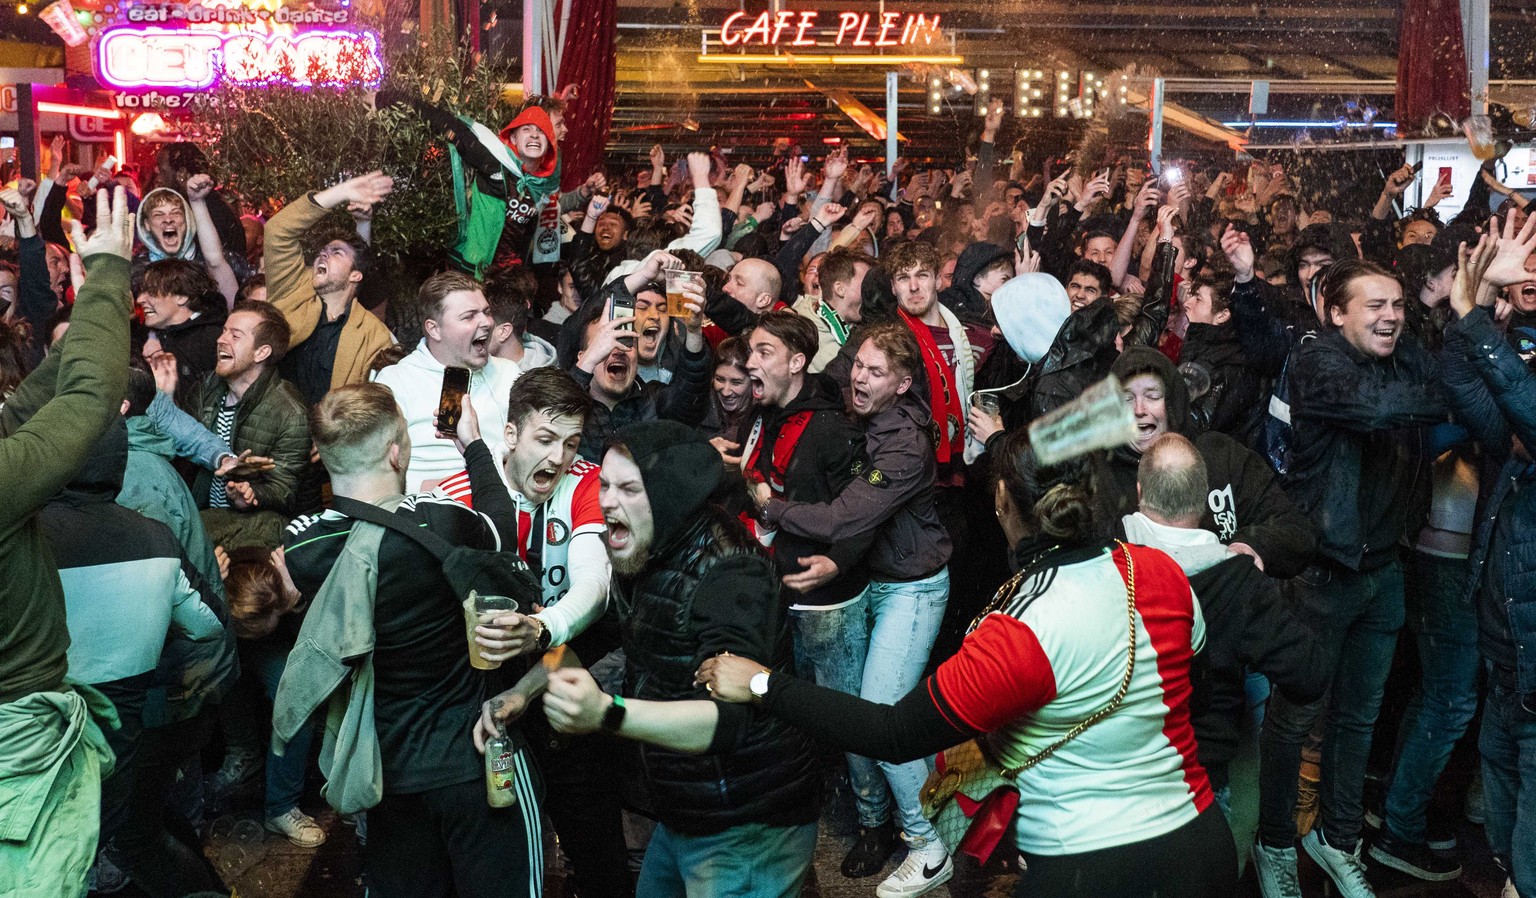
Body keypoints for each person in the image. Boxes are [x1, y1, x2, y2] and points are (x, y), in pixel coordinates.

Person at [698, 427, 1238, 898]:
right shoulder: (1160, 572)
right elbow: (1198, 697)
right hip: (1202, 844)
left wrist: (764, 684)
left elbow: (893, 732)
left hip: (1088, 870)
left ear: (1002, 499)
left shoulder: (1020, 628)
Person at [491, 420, 819, 898]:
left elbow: (730, 722)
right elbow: (599, 638)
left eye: (627, 488)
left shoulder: (731, 574)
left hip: (746, 825)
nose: (606, 501)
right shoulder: (648, 550)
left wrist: (607, 713)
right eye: (604, 485)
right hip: (687, 809)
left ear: (669, 495)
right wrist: (521, 692)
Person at [277, 383, 543, 898]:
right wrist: (472, 445)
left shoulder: (302, 547)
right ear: (397, 451)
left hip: (386, 774)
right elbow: (501, 527)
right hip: (474, 760)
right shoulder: (441, 520)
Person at [1253, 259, 1449, 898]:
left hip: (1384, 569)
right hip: (1324, 573)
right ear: (1336, 313)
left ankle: (1337, 840)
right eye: (1375, 306)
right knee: (1293, 720)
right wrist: (1441, 388)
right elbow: (1374, 410)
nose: (1391, 316)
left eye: (1397, 304)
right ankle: (1275, 843)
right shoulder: (1317, 360)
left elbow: (1431, 385)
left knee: (1358, 720)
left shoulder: (1400, 361)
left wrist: (1447, 302)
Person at [755, 323, 955, 895]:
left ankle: (927, 845)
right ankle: (931, 813)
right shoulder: (861, 395)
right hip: (878, 581)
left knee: (880, 720)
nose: (859, 379)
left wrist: (771, 508)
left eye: (874, 372)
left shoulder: (902, 446)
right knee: (874, 716)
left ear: (903, 384)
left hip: (913, 590)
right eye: (858, 366)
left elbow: (843, 518)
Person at [439, 368, 631, 898]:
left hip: (563, 667)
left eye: (569, 442)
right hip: (483, 690)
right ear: (510, 435)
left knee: (595, 843)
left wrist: (539, 629)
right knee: (501, 853)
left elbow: (593, 588)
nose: (558, 457)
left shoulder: (585, 483)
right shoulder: (459, 494)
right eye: (545, 440)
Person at [0, 187, 135, 897]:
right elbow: (85, 405)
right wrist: (110, 275)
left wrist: (85, 310)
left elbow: (24, 406)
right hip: (14, 739)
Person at [1440, 223, 1536, 898]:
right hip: (1508, 651)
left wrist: (1479, 319)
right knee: (1504, 813)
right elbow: (1472, 395)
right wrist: (1462, 312)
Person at [373, 270, 522, 490]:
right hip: (424, 511)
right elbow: (377, 468)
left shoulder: (509, 374)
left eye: (486, 312)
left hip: (497, 503)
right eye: (469, 316)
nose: (487, 322)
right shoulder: (396, 381)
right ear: (434, 329)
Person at [185, 300, 313, 550]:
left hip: (249, 529)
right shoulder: (205, 388)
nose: (221, 340)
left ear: (261, 353)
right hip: (197, 515)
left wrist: (250, 495)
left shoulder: (290, 412)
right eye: (224, 331)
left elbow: (284, 490)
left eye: (235, 335)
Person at [265, 170, 396, 404]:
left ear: (355, 275)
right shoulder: (292, 289)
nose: (323, 255)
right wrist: (343, 191)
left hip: (329, 436)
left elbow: (374, 404)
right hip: (272, 433)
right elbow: (277, 231)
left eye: (336, 253)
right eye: (322, 252)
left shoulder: (373, 335)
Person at [569, 252, 712, 460]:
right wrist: (643, 275)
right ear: (583, 356)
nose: (618, 350)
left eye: (627, 341)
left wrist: (694, 331)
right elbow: (555, 416)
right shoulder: (568, 403)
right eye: (606, 342)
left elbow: (690, 402)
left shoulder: (654, 401)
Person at [795, 248, 871, 373]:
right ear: (840, 289)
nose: (870, 293)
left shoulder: (863, 327)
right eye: (865, 285)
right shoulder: (799, 331)